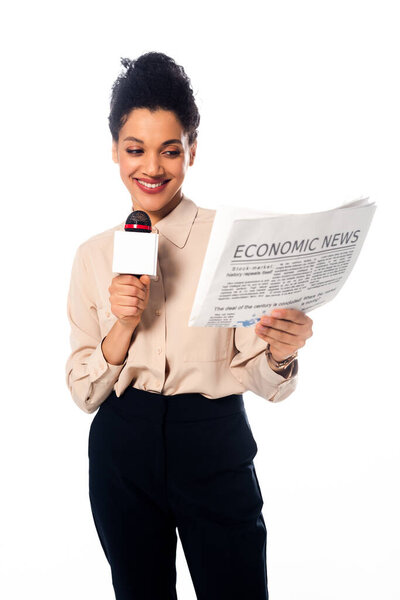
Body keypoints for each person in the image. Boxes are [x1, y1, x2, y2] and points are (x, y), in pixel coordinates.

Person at [65, 51, 313, 600]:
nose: (150, 167)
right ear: (114, 151)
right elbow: (84, 392)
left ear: (192, 151)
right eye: (135, 149)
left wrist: (281, 354)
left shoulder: (234, 241)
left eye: (169, 150)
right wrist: (123, 326)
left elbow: (266, 379)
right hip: (122, 447)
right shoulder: (92, 256)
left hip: (213, 441)